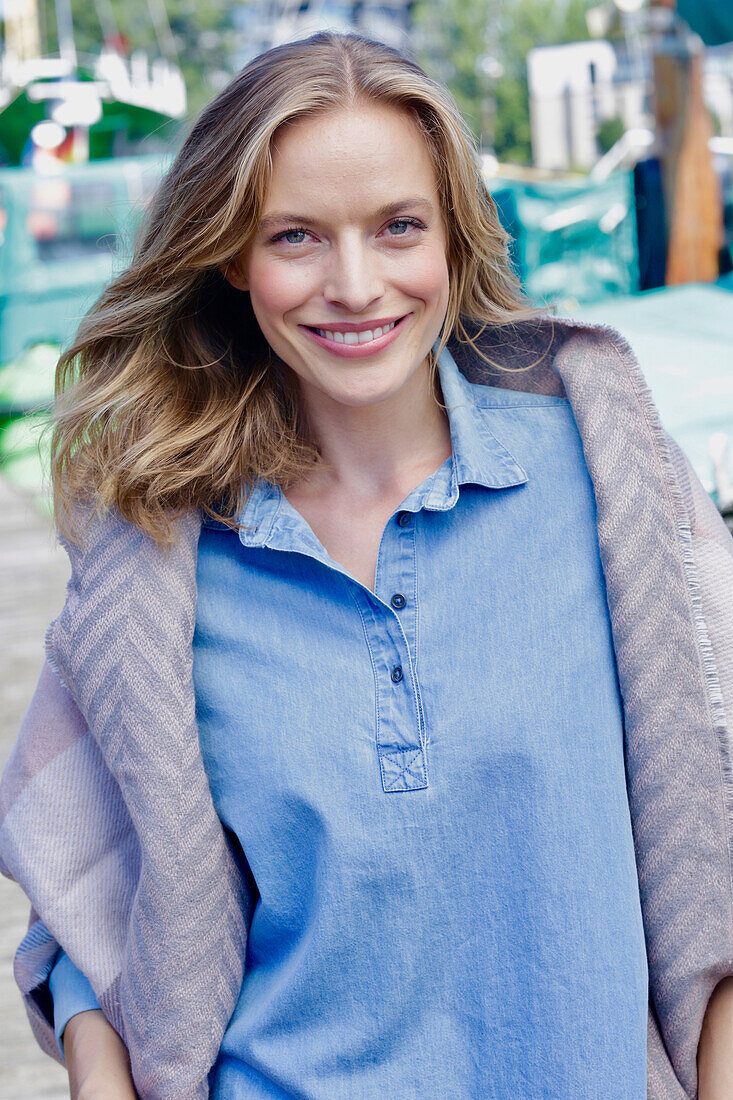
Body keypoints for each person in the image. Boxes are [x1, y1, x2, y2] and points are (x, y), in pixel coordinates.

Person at [1, 29, 732, 1100]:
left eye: (398, 228)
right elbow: (93, 911)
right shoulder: (157, 556)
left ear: (452, 240)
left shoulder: (617, 489)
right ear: (229, 255)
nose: (355, 284)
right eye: (295, 236)